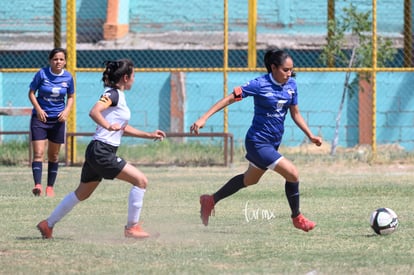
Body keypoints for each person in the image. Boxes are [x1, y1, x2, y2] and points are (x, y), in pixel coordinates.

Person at [190, 49, 322, 232]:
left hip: (271, 143)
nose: (289, 73)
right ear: (273, 67)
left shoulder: (291, 85)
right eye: (285, 70)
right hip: (257, 142)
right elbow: (229, 99)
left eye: (291, 69)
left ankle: (210, 200)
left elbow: (296, 113)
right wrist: (204, 118)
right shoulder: (259, 84)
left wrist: (310, 135)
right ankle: (297, 217)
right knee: (292, 173)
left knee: (250, 180)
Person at [36, 59, 166, 239]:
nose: (134, 80)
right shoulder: (114, 94)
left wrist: (149, 135)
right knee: (141, 181)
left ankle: (47, 224)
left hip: (97, 150)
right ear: (126, 77)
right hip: (101, 151)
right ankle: (132, 228)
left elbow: (122, 127)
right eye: (134, 76)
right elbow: (94, 111)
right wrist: (107, 125)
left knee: (81, 193)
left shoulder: (116, 95)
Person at [28, 48, 75, 197]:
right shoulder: (42, 74)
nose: (58, 62)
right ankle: (37, 185)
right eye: (55, 59)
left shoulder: (68, 77)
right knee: (39, 153)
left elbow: (71, 96)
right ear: (50, 61)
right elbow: (31, 93)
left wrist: (67, 111)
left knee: (54, 156)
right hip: (40, 118)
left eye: (61, 59)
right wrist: (39, 109)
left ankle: (50, 188)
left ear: (65, 61)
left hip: (58, 120)